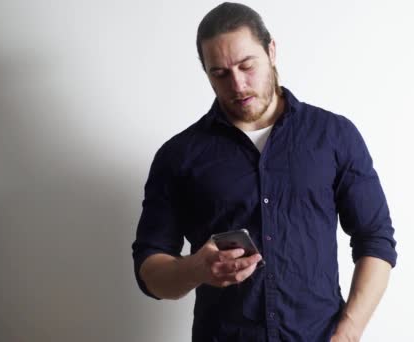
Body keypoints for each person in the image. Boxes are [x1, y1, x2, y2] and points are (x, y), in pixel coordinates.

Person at [131, 2, 398, 341]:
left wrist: (348, 333)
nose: (238, 85)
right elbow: (150, 272)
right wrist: (196, 268)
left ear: (271, 50)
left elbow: (375, 239)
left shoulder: (334, 135)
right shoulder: (178, 156)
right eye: (220, 74)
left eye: (246, 65)